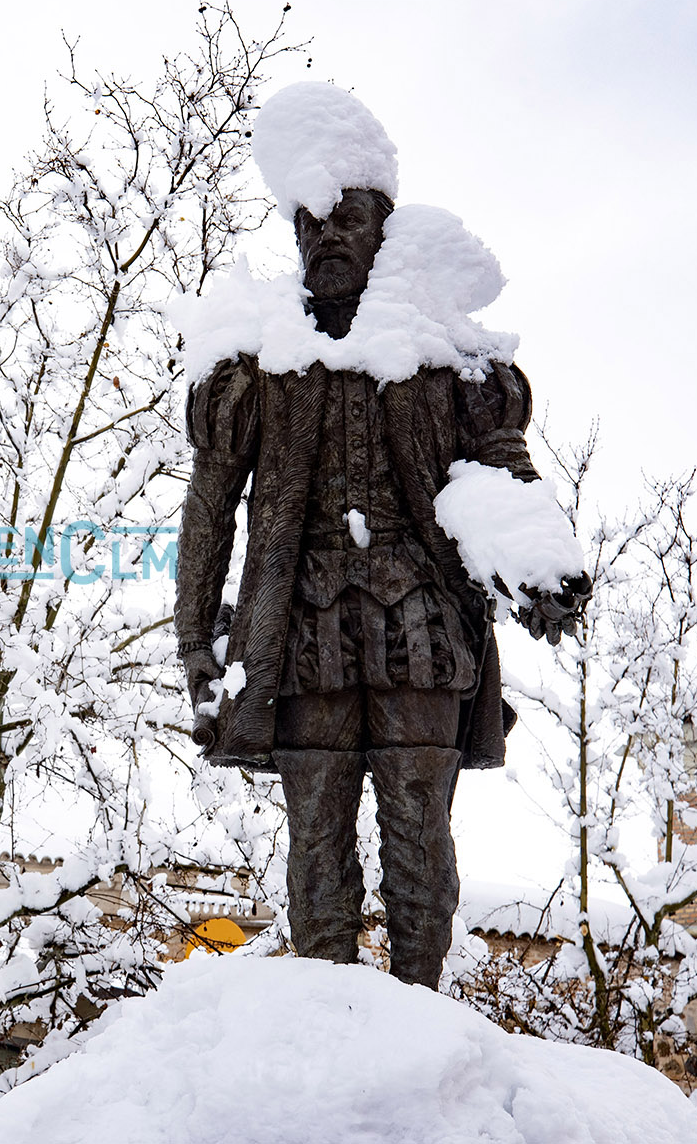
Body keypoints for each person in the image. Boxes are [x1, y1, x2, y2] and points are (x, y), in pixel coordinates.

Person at [174, 86, 587, 986]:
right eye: (310, 221)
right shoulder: (256, 363)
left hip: (421, 624)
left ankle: (421, 1019)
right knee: (316, 829)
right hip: (302, 629)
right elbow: (208, 507)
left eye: (346, 219)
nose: (326, 235)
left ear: (381, 229)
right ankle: (330, 1026)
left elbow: (499, 474)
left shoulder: (447, 358)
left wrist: (540, 571)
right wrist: (196, 643)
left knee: (417, 829)